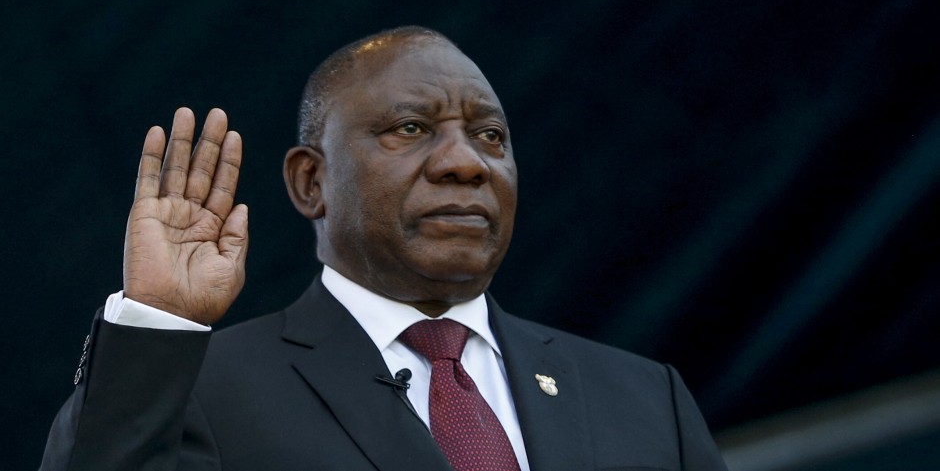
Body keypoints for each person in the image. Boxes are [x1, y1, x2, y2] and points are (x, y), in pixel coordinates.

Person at [41, 26, 728, 470]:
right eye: (410, 127)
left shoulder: (645, 397)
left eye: (491, 136)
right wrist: (159, 318)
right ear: (313, 181)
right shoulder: (201, 391)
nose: (466, 163)